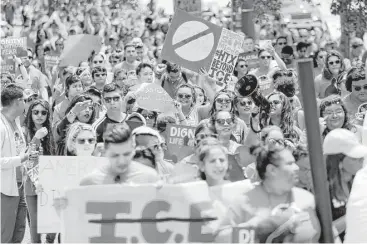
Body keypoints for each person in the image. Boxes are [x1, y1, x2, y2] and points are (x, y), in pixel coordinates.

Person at [215, 145, 321, 243]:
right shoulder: (244, 202)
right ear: (272, 170)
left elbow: (330, 236)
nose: (296, 168)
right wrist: (255, 226)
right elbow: (220, 238)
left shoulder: (307, 199)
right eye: (289, 163)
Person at [80, 124, 159, 185]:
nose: (121, 161)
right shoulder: (90, 182)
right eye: (115, 155)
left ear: (134, 150)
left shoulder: (150, 178)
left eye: (126, 154)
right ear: (105, 152)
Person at [323, 128, 367, 240]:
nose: (361, 160)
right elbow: (324, 234)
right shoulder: (323, 189)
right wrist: (358, 214)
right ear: (338, 161)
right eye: (354, 158)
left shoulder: (360, 181)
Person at [23, 99, 55, 243]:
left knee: (54, 223)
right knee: (35, 225)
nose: (39, 115)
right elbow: (27, 160)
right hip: (31, 185)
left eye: (43, 112)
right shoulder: (24, 132)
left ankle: (49, 240)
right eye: (35, 112)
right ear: (30, 114)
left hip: (51, 185)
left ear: (48, 115)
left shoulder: (52, 133)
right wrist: (36, 138)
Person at [1, 84, 30, 243]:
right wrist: (21, 159)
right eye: (25, 100)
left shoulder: (16, 121)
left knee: (18, 233)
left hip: (20, 186)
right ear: (18, 102)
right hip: (4, 190)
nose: (27, 104)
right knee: (4, 236)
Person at [52, 75, 84, 140]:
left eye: (80, 86)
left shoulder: (87, 104)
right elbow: (56, 133)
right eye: (74, 86)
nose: (78, 89)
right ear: (67, 89)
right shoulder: (58, 108)